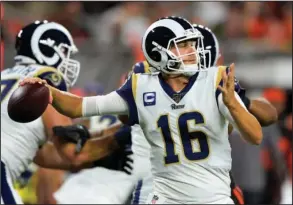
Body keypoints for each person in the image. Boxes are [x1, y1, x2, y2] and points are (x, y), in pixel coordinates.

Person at [20, 16, 263, 204]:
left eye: (192, 45)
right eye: (183, 45)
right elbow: (80, 107)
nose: (192, 51)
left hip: (212, 196)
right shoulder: (139, 88)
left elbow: (255, 136)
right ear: (159, 53)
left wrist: (234, 105)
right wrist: (49, 91)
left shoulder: (215, 82)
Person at [1, 20, 130, 205]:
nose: (67, 60)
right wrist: (119, 138)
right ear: (46, 49)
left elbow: (42, 155)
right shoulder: (45, 79)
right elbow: (74, 152)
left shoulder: (6, 75)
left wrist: (97, 155)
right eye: (64, 52)